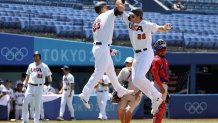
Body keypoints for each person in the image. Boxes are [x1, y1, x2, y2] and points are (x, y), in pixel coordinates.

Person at [79, 0, 134, 110]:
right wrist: (120, 2)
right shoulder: (106, 14)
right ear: (101, 9)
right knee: (98, 73)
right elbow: (118, 9)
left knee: (111, 72)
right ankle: (85, 94)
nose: (107, 7)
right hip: (102, 48)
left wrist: (109, 50)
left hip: (101, 47)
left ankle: (120, 90)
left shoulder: (97, 19)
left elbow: (101, 37)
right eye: (105, 6)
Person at [121, 8, 172, 114]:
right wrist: (120, 6)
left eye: (133, 16)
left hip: (146, 53)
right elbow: (121, 12)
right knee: (135, 80)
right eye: (130, 15)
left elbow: (159, 28)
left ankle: (157, 96)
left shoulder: (146, 24)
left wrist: (165, 27)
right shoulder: (129, 21)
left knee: (139, 77)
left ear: (139, 16)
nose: (131, 17)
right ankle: (154, 97)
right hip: (136, 54)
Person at [22, 51, 52, 123]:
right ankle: (25, 119)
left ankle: (36, 120)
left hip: (39, 86)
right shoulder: (31, 65)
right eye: (34, 56)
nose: (36, 57)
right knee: (25, 102)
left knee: (37, 104)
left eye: (37, 56)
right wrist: (25, 85)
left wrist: (48, 82)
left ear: (40, 57)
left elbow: (49, 77)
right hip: (30, 86)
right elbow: (27, 76)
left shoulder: (44, 66)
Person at [117, 57, 142, 123]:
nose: (128, 64)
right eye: (127, 62)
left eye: (130, 62)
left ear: (133, 63)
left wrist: (138, 94)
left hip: (135, 95)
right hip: (125, 94)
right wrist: (118, 91)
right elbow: (118, 81)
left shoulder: (138, 71)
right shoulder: (123, 70)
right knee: (120, 109)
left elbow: (143, 84)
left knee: (128, 111)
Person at [151, 39, 169, 123]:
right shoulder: (156, 59)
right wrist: (161, 86)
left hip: (162, 84)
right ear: (157, 50)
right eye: (161, 49)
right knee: (159, 107)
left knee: (160, 108)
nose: (163, 51)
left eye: (164, 49)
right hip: (158, 84)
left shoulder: (164, 59)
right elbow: (155, 74)